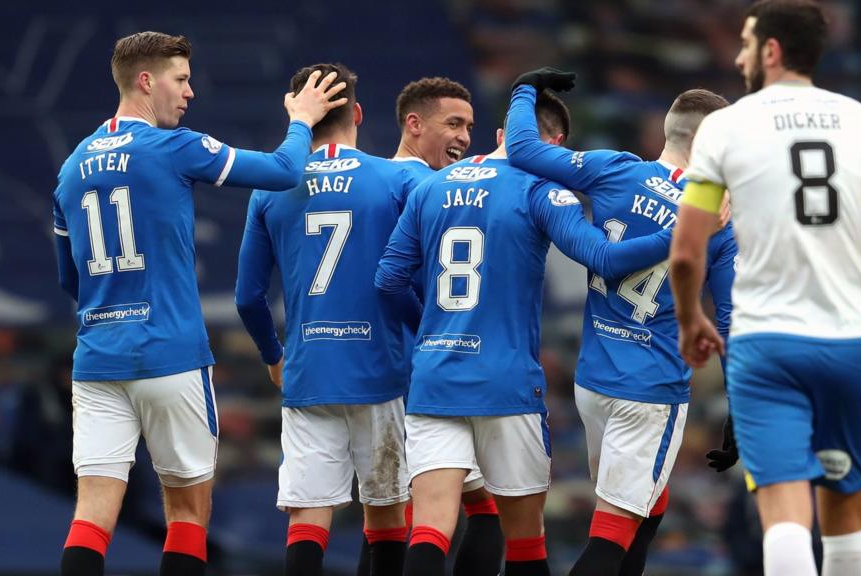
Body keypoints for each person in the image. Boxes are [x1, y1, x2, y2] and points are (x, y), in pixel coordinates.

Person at [51, 31, 346, 576]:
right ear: (146, 81)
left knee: (92, 513)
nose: (189, 93)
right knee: (188, 510)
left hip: (97, 360)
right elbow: (283, 172)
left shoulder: (71, 167)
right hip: (170, 354)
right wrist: (303, 119)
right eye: (180, 79)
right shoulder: (174, 146)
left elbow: (71, 279)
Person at [669, 2, 861, 575]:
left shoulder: (724, 127)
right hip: (852, 342)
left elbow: (688, 250)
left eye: (745, 43)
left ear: (771, 50)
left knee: (785, 511)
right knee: (846, 517)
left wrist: (691, 318)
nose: (738, 55)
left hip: (768, 346)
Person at [376, 77, 675, 576]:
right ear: (552, 147)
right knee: (524, 540)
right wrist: (682, 233)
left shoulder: (430, 187)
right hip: (506, 383)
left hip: (434, 378)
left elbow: (388, 279)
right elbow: (602, 256)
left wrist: (432, 330)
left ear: (500, 134)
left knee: (429, 530)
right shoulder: (541, 189)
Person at [505, 75, 737, 575]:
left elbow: (522, 148)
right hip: (650, 391)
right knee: (613, 531)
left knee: (646, 507)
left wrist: (525, 90)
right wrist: (739, 406)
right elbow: (731, 318)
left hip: (593, 381)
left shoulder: (615, 168)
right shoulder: (717, 219)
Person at [234, 62, 418, 576]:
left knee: (308, 517)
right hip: (382, 369)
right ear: (357, 112)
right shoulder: (397, 178)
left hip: (310, 369)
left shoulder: (270, 188)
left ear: (298, 113)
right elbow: (411, 278)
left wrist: (275, 358)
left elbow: (248, 297)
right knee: (385, 513)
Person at [378, 77, 506, 576]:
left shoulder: (374, 177)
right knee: (483, 511)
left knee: (395, 515)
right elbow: (392, 280)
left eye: (469, 127)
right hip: (431, 371)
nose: (464, 137)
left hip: (394, 369)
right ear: (414, 123)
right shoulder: (429, 187)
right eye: (454, 123)